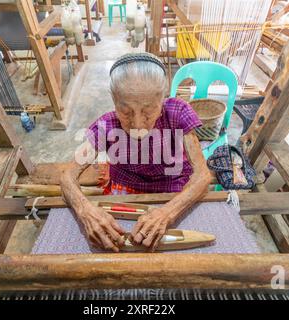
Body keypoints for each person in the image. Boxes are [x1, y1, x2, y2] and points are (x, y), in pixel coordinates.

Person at [61, 53, 211, 252]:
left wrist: (166, 213)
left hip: (172, 188)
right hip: (126, 190)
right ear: (114, 101)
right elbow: (67, 175)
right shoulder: (107, 125)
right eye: (126, 111)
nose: (137, 123)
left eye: (148, 110)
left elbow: (202, 175)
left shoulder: (177, 112)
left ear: (162, 99)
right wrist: (85, 211)